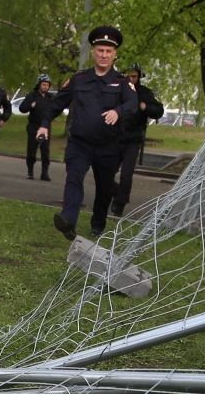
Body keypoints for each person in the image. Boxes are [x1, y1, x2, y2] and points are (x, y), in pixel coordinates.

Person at [42, 26, 137, 239]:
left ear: (114, 55)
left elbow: (132, 103)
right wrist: (44, 123)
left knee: (104, 188)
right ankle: (68, 220)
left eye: (108, 52)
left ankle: (98, 222)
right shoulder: (79, 79)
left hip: (108, 146)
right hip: (80, 143)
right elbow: (58, 103)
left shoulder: (122, 82)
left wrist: (118, 111)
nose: (104, 55)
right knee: (74, 177)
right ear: (93, 52)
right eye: (100, 50)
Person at [111, 63, 165, 216]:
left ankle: (120, 203)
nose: (130, 79)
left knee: (126, 174)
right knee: (105, 172)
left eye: (134, 76)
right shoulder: (117, 90)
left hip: (133, 139)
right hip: (115, 137)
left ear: (139, 77)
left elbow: (158, 111)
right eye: (128, 75)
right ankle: (118, 194)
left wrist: (145, 107)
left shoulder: (144, 93)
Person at [18, 73, 56, 180]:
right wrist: (30, 105)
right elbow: (22, 108)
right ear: (39, 84)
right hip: (33, 126)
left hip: (45, 127)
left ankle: (44, 173)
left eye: (47, 85)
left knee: (45, 151)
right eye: (43, 84)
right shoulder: (32, 95)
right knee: (31, 150)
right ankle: (30, 171)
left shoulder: (50, 97)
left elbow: (55, 109)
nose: (45, 87)